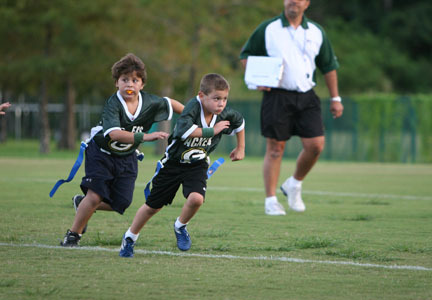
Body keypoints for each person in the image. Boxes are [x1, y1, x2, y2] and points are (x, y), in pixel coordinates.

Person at [60, 53, 184, 246]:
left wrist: (190, 120)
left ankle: (81, 203)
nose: (130, 84)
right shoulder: (113, 104)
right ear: (116, 83)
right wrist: (146, 136)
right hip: (101, 153)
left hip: (127, 156)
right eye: (124, 79)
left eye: (135, 80)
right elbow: (115, 134)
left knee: (121, 203)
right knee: (94, 196)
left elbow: (170, 103)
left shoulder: (150, 102)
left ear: (142, 84)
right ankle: (73, 235)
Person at [119, 73, 245, 257]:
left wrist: (240, 147)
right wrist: (212, 130)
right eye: (216, 98)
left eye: (224, 99)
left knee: (196, 199)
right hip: (173, 164)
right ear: (201, 96)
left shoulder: (223, 114)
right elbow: (185, 131)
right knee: (153, 206)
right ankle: (130, 237)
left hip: (197, 164)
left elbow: (240, 122)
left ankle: (180, 226)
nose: (221, 104)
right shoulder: (193, 108)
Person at [239, 0, 343, 216]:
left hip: (307, 95)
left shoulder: (316, 31)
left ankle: (294, 184)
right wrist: (256, 78)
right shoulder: (268, 28)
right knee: (275, 149)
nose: (293, 1)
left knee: (316, 145)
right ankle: (270, 200)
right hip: (276, 96)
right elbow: (245, 55)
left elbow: (329, 66)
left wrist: (336, 98)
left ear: (307, 3)